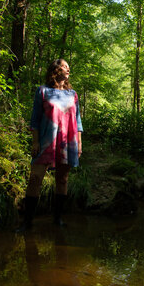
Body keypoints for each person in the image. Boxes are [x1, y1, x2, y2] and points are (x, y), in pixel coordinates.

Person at [17, 59, 83, 232]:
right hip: (46, 141)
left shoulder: (73, 94)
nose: (68, 68)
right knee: (35, 178)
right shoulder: (43, 91)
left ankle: (57, 218)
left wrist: (79, 143)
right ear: (55, 70)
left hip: (68, 142)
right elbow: (35, 119)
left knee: (62, 179)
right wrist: (35, 141)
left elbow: (78, 121)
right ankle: (27, 222)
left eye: (69, 66)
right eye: (64, 66)